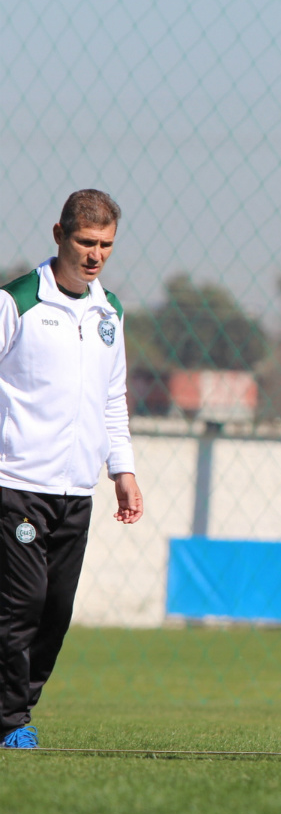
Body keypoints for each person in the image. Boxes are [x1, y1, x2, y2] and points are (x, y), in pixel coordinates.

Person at [0, 189, 143, 749]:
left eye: (106, 245)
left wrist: (122, 470)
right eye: (86, 242)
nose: (95, 255)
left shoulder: (111, 312)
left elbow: (113, 398)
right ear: (59, 235)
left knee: (56, 612)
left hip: (76, 491)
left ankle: (18, 708)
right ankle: (11, 721)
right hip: (17, 485)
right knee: (22, 604)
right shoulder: (16, 303)